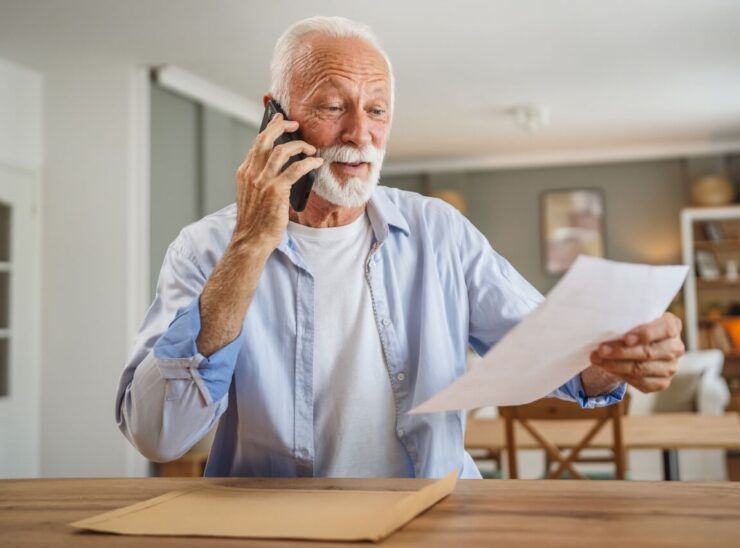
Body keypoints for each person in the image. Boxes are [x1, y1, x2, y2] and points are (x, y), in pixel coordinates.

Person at [116, 16, 684, 478]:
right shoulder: (206, 248)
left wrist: (620, 360)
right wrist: (249, 245)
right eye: (333, 106)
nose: (361, 134)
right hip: (278, 528)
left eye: (378, 109)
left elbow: (555, 354)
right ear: (276, 117)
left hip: (436, 518)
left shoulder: (440, 231)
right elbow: (157, 435)